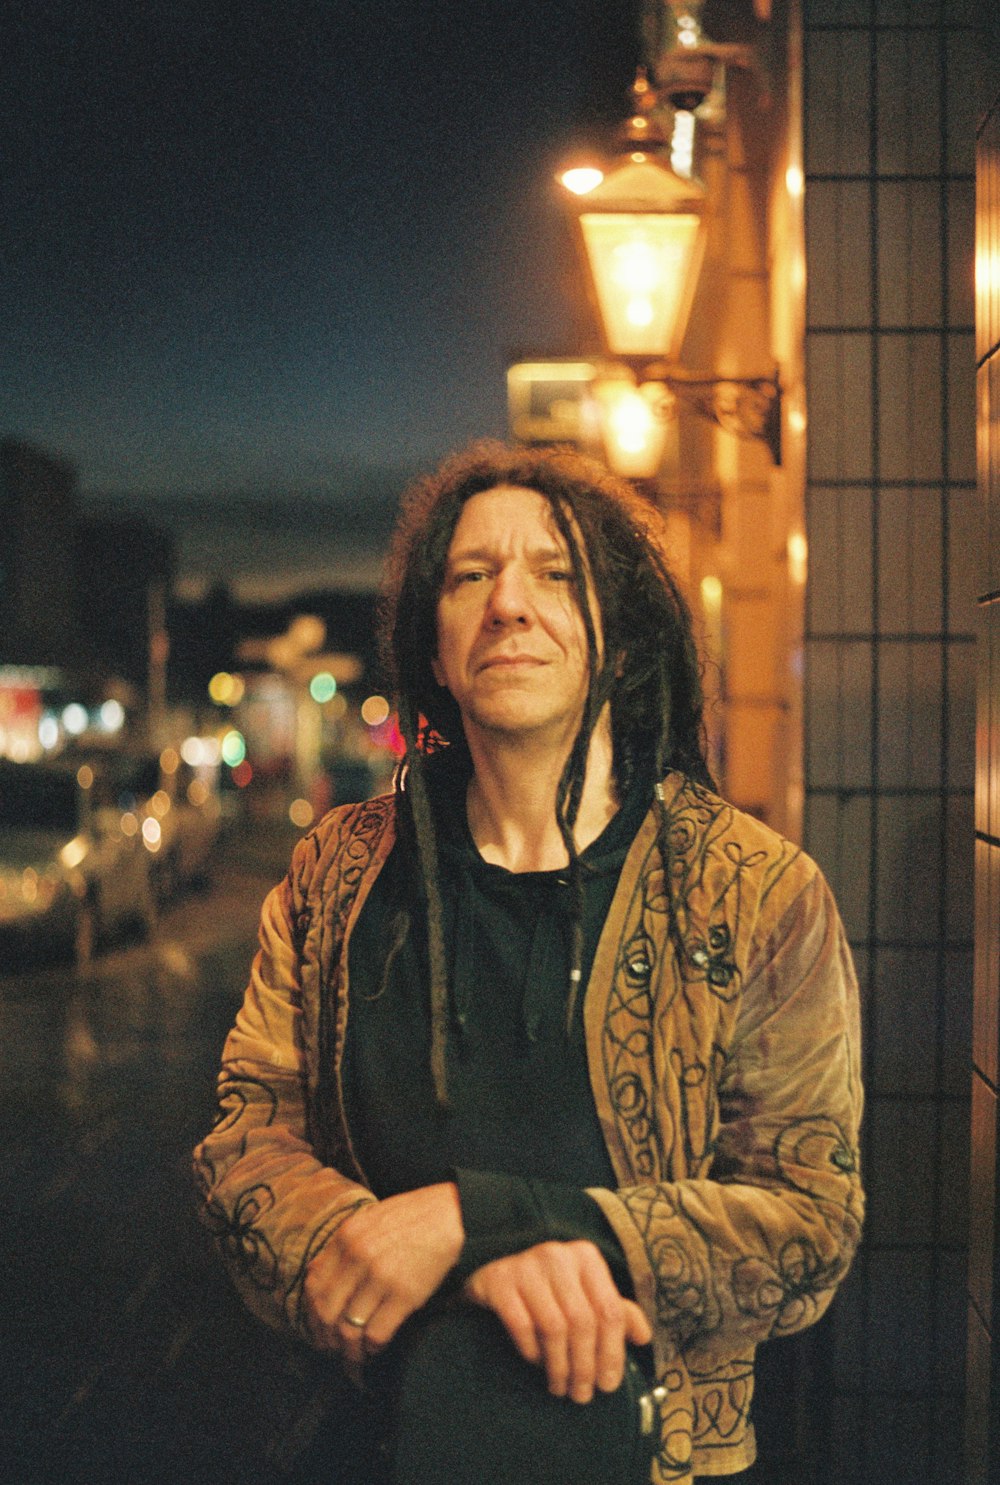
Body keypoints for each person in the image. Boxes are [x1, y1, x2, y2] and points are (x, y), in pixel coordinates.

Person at [193, 441, 864, 1483]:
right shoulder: (338, 874)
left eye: (556, 573)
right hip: (381, 1447)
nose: (509, 604)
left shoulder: (758, 893)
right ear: (433, 638)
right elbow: (246, 1144)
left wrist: (478, 1222)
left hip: (655, 1459)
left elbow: (806, 1225)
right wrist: (382, 1250)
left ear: (623, 639)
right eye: (470, 577)